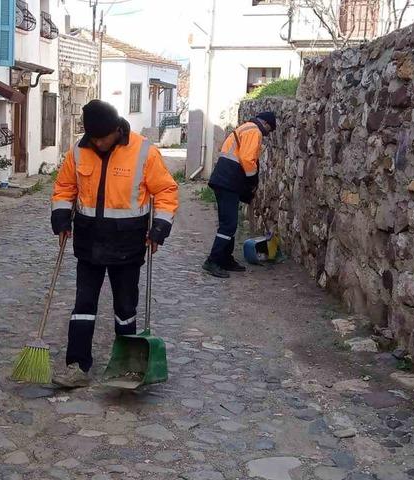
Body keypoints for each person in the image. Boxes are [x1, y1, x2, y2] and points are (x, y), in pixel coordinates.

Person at [50, 100, 179, 388]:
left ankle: (128, 366)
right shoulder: (79, 150)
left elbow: (166, 191)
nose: (98, 143)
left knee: (125, 307)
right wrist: (61, 219)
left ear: (117, 130)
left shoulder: (143, 151)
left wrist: (160, 228)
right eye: (93, 138)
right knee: (83, 305)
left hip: (128, 244)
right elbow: (65, 187)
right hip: (88, 243)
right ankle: (77, 366)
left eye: (102, 138)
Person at [202, 112, 276, 279]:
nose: (267, 133)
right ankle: (213, 260)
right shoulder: (254, 131)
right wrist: (251, 182)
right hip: (228, 181)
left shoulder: (245, 128)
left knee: (229, 223)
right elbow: (247, 159)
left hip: (224, 179)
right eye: (269, 129)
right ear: (265, 123)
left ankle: (226, 259)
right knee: (228, 225)